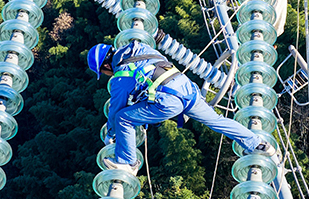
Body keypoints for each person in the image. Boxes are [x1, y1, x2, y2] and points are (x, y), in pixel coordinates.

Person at [87, 42, 280, 176]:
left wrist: (111, 134)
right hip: (188, 89)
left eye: (103, 72)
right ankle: (258, 144)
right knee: (217, 121)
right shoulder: (140, 48)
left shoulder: (120, 78)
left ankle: (127, 163)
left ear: (105, 65)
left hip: (168, 101)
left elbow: (115, 111)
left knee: (123, 118)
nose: (106, 74)